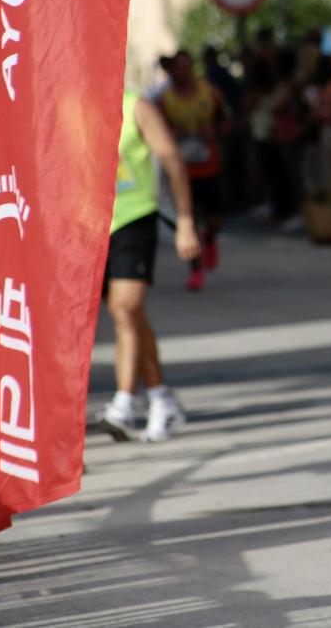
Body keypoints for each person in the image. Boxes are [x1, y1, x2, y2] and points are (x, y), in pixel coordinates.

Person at [99, 93, 201, 443]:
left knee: (123, 307)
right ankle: (160, 396)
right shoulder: (68, 105)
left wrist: (185, 221)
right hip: (90, 224)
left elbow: (172, 160)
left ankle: (124, 404)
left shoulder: (136, 107)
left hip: (134, 218)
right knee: (131, 315)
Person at [159, 49, 227, 292]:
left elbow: (228, 122)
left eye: (186, 66)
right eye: (177, 67)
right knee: (190, 222)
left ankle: (210, 239)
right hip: (182, 172)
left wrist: (215, 132)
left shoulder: (210, 93)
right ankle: (196, 271)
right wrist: (171, 135)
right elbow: (158, 132)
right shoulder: (165, 100)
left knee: (214, 220)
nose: (182, 71)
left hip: (209, 166)